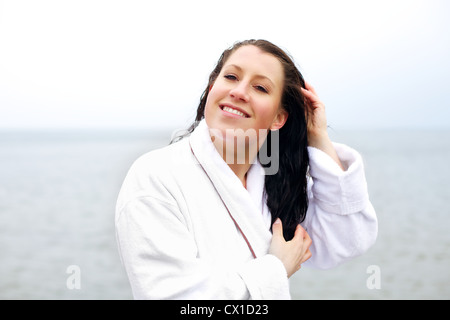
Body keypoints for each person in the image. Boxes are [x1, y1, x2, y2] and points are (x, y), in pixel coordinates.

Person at [115, 39, 378, 299]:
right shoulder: (155, 178)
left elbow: (347, 239)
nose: (239, 91)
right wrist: (276, 269)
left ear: (279, 118)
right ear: (211, 89)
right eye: (230, 77)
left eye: (261, 88)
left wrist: (317, 135)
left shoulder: (273, 184)